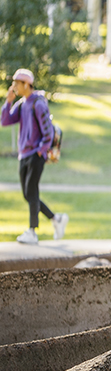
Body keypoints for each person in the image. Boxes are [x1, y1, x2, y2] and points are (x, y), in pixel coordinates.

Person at [1, 68, 68, 244]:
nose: (14, 86)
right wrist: (8, 102)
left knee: (31, 191)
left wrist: (41, 150)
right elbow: (5, 121)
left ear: (26, 84)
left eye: (17, 83)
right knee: (28, 194)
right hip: (23, 155)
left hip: (35, 154)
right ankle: (56, 219)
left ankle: (32, 231)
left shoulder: (38, 103)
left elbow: (48, 131)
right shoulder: (22, 104)